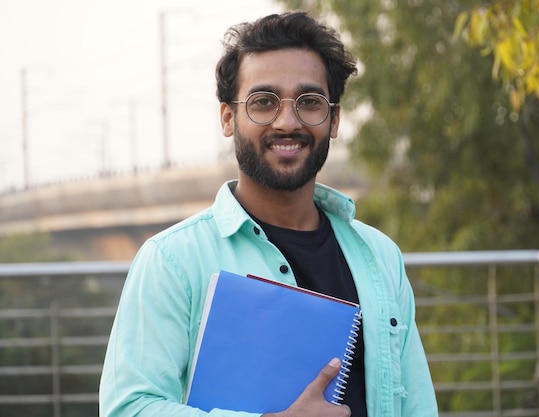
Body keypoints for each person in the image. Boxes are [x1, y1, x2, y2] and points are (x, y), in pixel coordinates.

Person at [99, 11, 438, 417]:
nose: (287, 122)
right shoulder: (172, 261)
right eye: (264, 102)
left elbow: (417, 406)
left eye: (310, 102)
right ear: (228, 118)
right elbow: (128, 408)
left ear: (334, 119)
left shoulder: (380, 256)